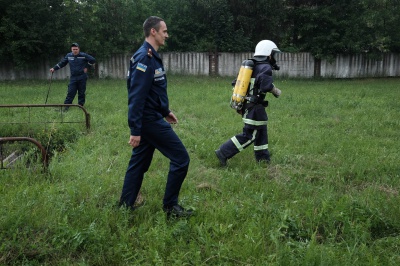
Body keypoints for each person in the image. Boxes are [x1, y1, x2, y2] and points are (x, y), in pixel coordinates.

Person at [119, 16, 193, 219]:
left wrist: (164, 111)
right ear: (153, 32)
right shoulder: (144, 58)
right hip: (148, 121)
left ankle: (125, 206)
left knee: (138, 164)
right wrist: (135, 129)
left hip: (151, 116)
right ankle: (170, 208)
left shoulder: (150, 56)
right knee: (181, 159)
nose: (167, 35)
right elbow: (136, 96)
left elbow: (151, 91)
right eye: (164, 31)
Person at [215, 40, 282, 166]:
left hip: (248, 105)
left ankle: (263, 160)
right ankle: (223, 152)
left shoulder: (253, 66)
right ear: (268, 54)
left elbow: (236, 83)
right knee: (250, 135)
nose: (275, 57)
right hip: (255, 108)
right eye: (274, 54)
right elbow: (265, 86)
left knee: (261, 133)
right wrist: (274, 90)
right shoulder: (265, 68)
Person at [50, 43, 96, 111]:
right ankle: (66, 107)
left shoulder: (83, 55)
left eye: (76, 49)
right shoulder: (69, 56)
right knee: (70, 92)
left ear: (79, 49)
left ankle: (81, 107)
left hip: (82, 77)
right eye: (73, 49)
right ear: (71, 49)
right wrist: (54, 68)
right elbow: (62, 63)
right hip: (73, 77)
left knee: (81, 92)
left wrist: (87, 66)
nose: (75, 51)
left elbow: (93, 60)